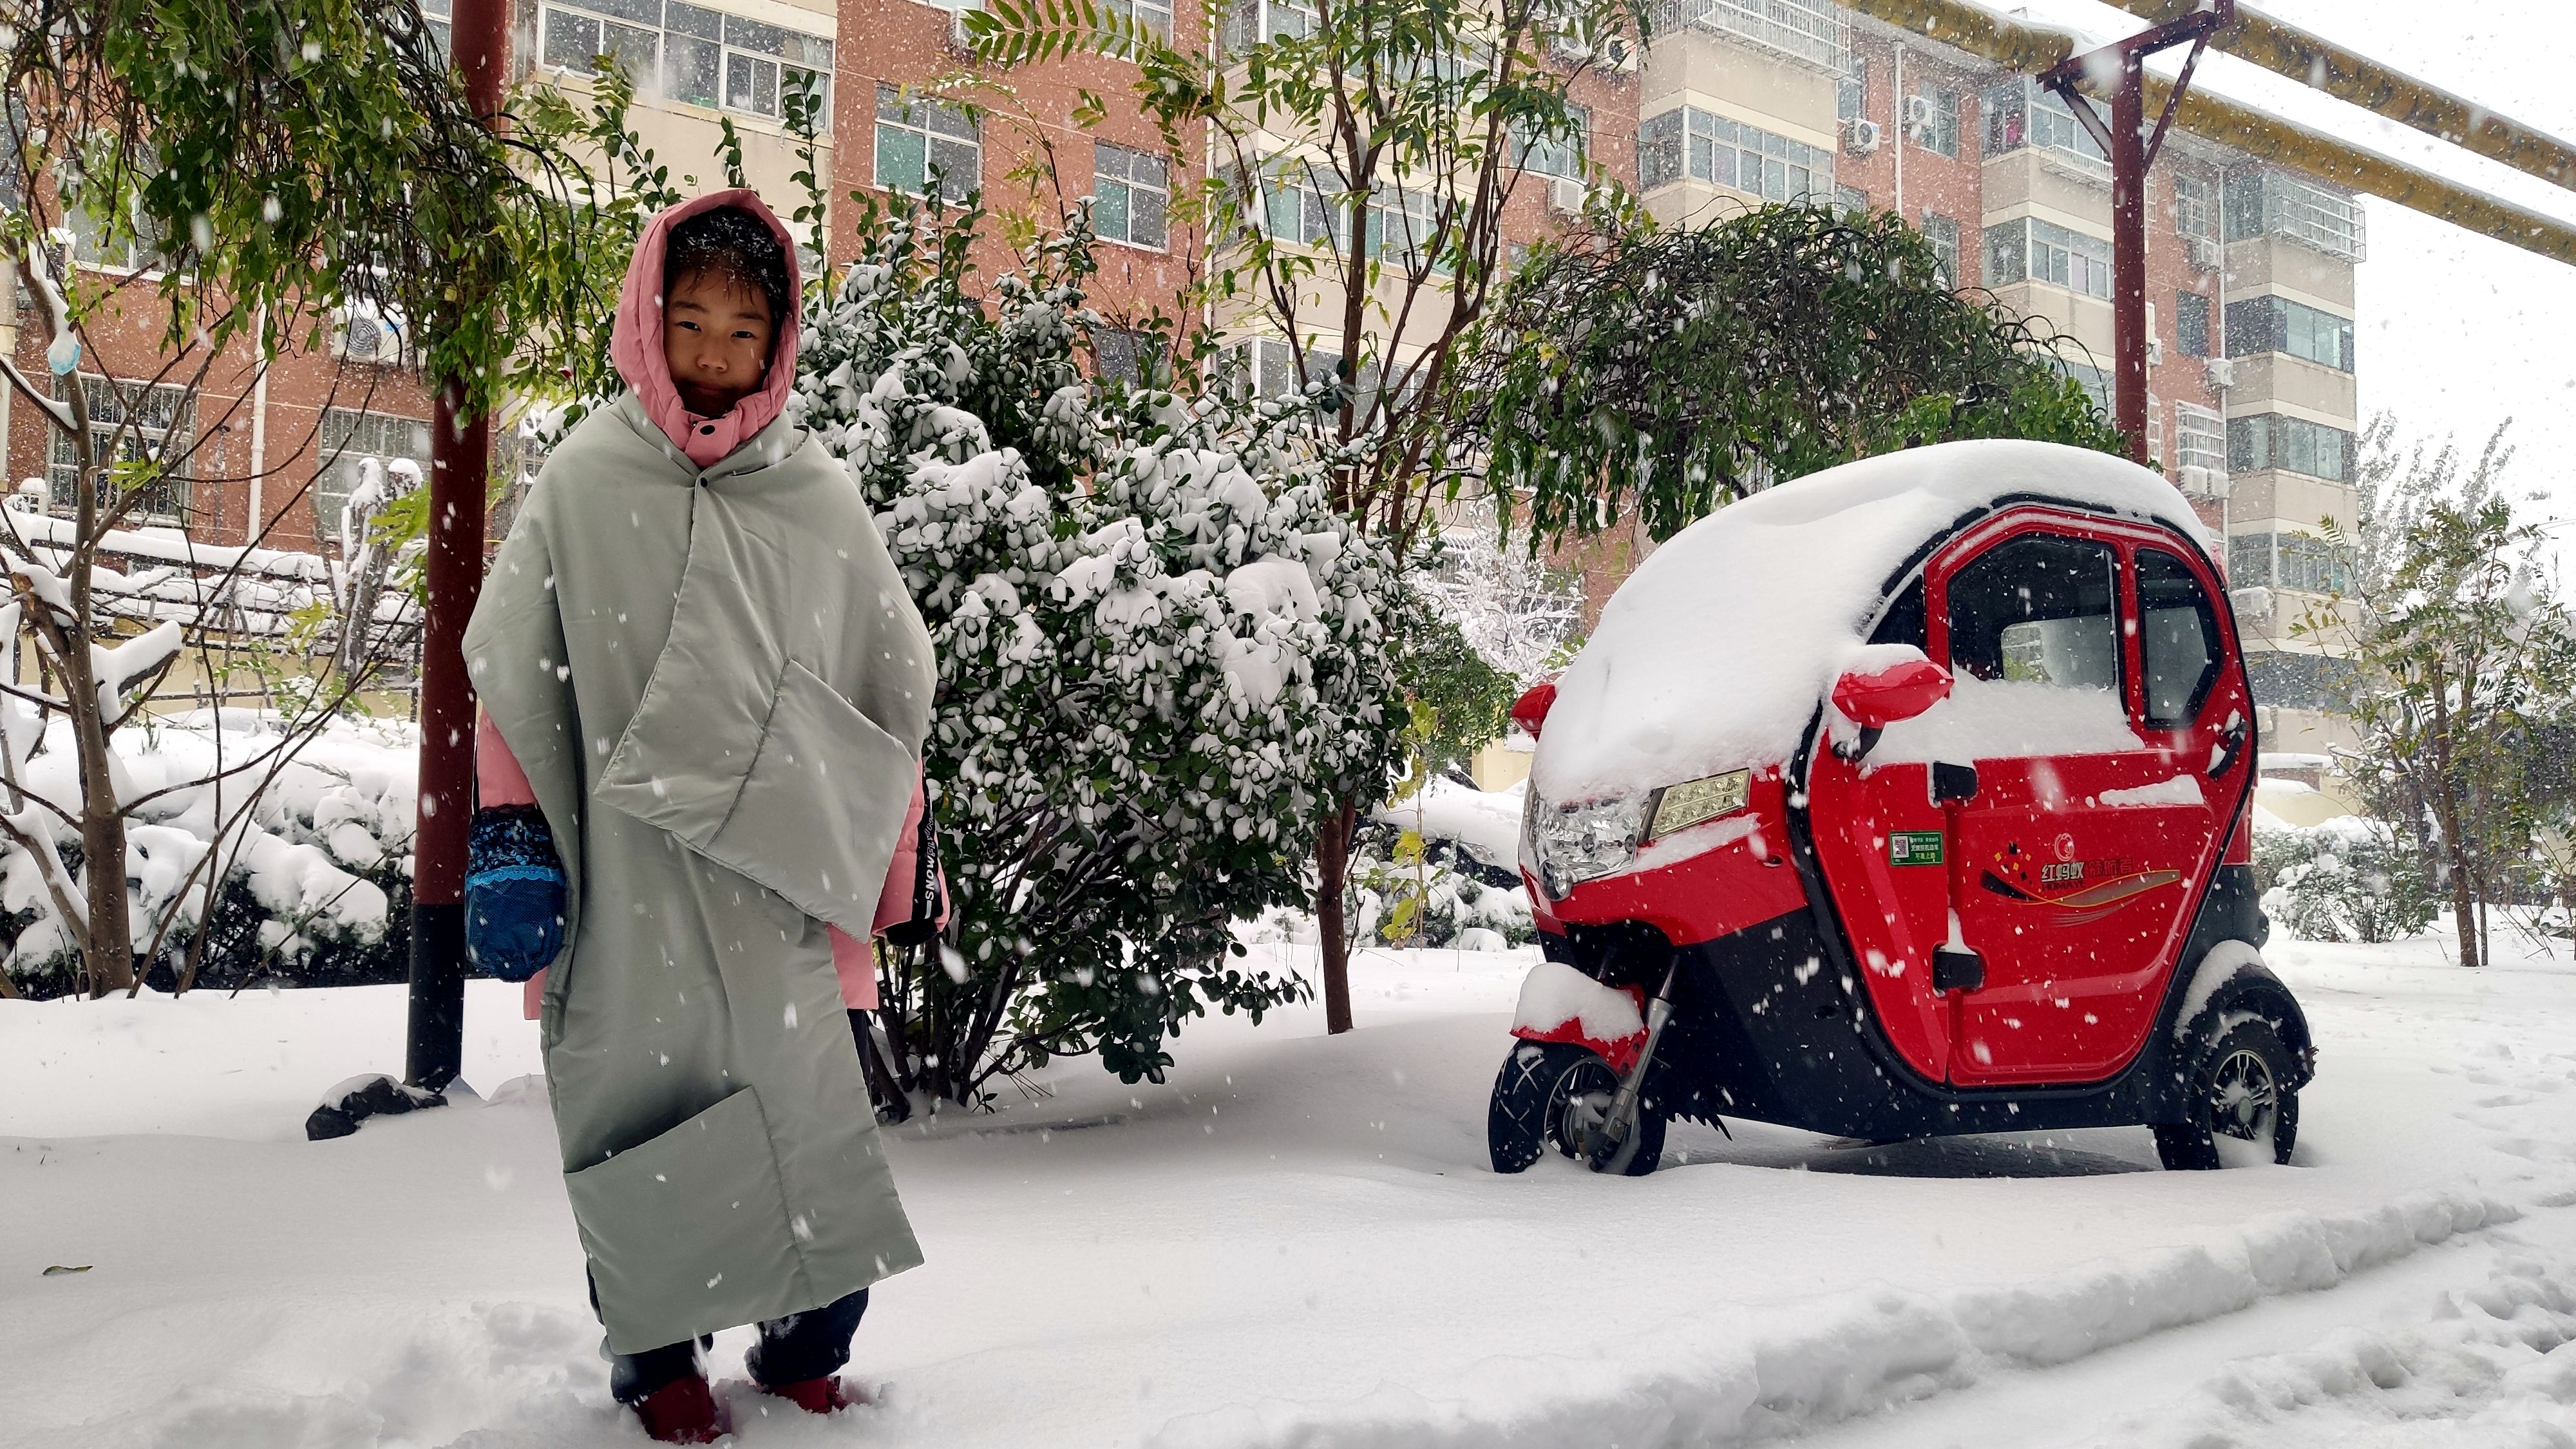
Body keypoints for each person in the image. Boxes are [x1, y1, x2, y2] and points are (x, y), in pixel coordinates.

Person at [461, 189, 940, 1444]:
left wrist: (899, 854)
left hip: (778, 904)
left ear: (778, 340)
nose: (716, 353)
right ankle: (656, 1365)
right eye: (692, 322)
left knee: (807, 1138)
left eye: (744, 328)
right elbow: (515, 672)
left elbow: (887, 689)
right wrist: (511, 836)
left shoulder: (817, 498)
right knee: (642, 1130)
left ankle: (804, 1345)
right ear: (648, 322)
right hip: (627, 896)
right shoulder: (585, 481)